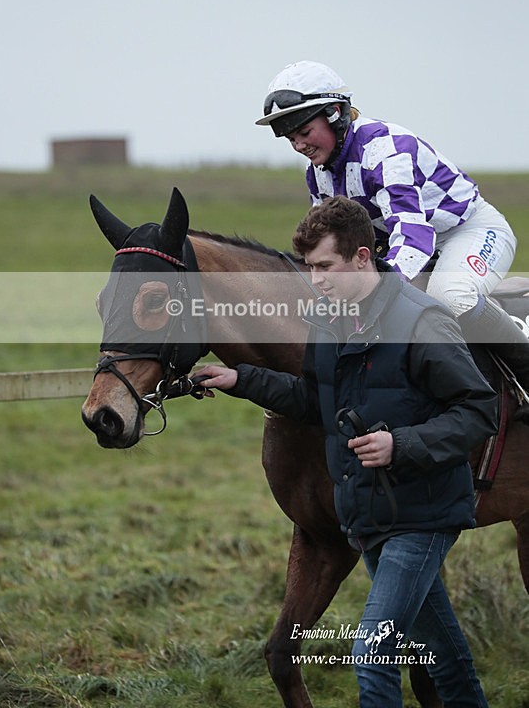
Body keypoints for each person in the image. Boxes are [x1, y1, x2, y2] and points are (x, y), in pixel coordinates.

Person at [195, 196, 496, 707]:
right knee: (447, 660)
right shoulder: (331, 321)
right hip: (370, 514)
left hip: (421, 514)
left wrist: (401, 443)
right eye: (309, 268)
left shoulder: (422, 322)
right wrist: (239, 378)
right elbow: (314, 399)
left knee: (372, 654)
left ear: (362, 257)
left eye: (325, 266)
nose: (317, 281)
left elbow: (477, 410)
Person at [255, 59, 529, 413]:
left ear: (336, 113)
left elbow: (412, 231)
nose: (299, 145)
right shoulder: (318, 172)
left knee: (452, 296)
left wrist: (378, 291)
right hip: (409, 244)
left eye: (304, 133)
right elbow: (327, 243)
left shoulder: (385, 149)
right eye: (291, 138)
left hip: (467, 230)